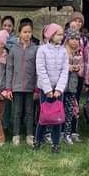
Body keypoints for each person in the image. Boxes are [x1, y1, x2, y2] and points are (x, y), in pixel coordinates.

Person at [34, 23, 69, 154]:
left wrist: (59, 89)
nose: (62, 36)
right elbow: (41, 70)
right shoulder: (42, 50)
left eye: (62, 34)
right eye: (59, 34)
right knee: (44, 116)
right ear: (51, 35)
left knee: (57, 117)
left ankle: (55, 144)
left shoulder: (64, 51)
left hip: (58, 90)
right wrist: (48, 89)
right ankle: (37, 141)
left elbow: (65, 71)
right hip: (45, 90)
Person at [5, 20, 38, 146]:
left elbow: (37, 70)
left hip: (30, 87)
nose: (27, 34)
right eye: (24, 32)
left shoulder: (35, 49)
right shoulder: (13, 49)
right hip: (17, 87)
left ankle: (30, 135)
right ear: (19, 33)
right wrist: (8, 88)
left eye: (29, 32)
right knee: (17, 112)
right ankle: (16, 135)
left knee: (30, 112)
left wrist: (36, 88)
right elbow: (9, 68)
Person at [68, 11, 89, 142]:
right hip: (65, 74)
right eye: (75, 20)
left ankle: (74, 131)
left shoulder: (84, 39)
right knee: (65, 101)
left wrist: (87, 78)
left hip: (79, 75)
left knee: (75, 101)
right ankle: (62, 129)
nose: (77, 23)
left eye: (80, 21)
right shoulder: (62, 36)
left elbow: (87, 60)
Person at [63, 28, 83, 145]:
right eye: (72, 38)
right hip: (61, 85)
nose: (74, 41)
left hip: (73, 85)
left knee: (70, 110)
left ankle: (67, 133)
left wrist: (77, 68)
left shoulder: (78, 52)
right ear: (67, 39)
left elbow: (81, 67)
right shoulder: (62, 51)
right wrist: (69, 67)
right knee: (59, 109)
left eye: (77, 39)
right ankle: (59, 132)